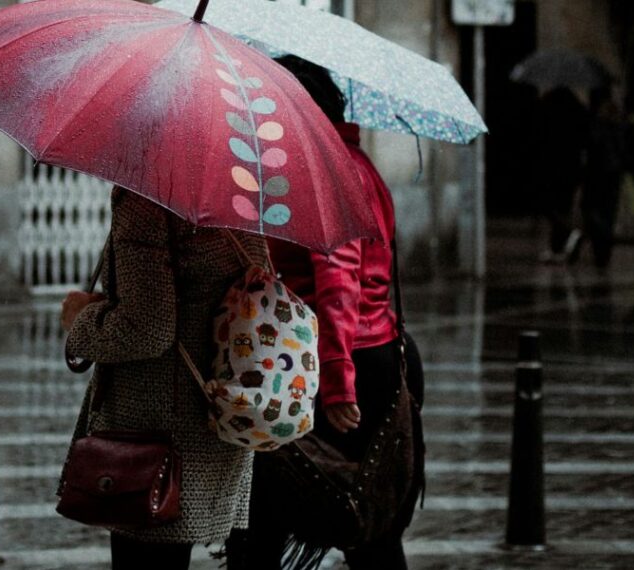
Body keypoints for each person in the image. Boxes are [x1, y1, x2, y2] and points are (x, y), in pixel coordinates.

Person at [244, 54, 415, 570]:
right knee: (369, 518)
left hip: (340, 359)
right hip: (373, 350)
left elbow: (338, 280)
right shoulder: (358, 161)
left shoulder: (324, 168)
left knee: (268, 518)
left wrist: (339, 382)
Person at [60, 188, 268, 569]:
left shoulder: (147, 200)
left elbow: (148, 328)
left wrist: (82, 320)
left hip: (156, 435)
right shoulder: (238, 189)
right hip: (213, 414)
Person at [531, 86, 590, 264]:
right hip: (571, 167)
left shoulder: (546, 108)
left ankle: (565, 238)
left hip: (551, 165)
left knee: (550, 206)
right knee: (563, 206)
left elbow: (538, 138)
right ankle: (558, 247)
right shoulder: (579, 111)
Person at [580, 87, 629, 268]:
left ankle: (601, 248)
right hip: (611, 174)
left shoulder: (598, 125)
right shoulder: (618, 125)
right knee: (606, 213)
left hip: (599, 175)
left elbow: (592, 148)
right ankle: (603, 250)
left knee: (596, 213)